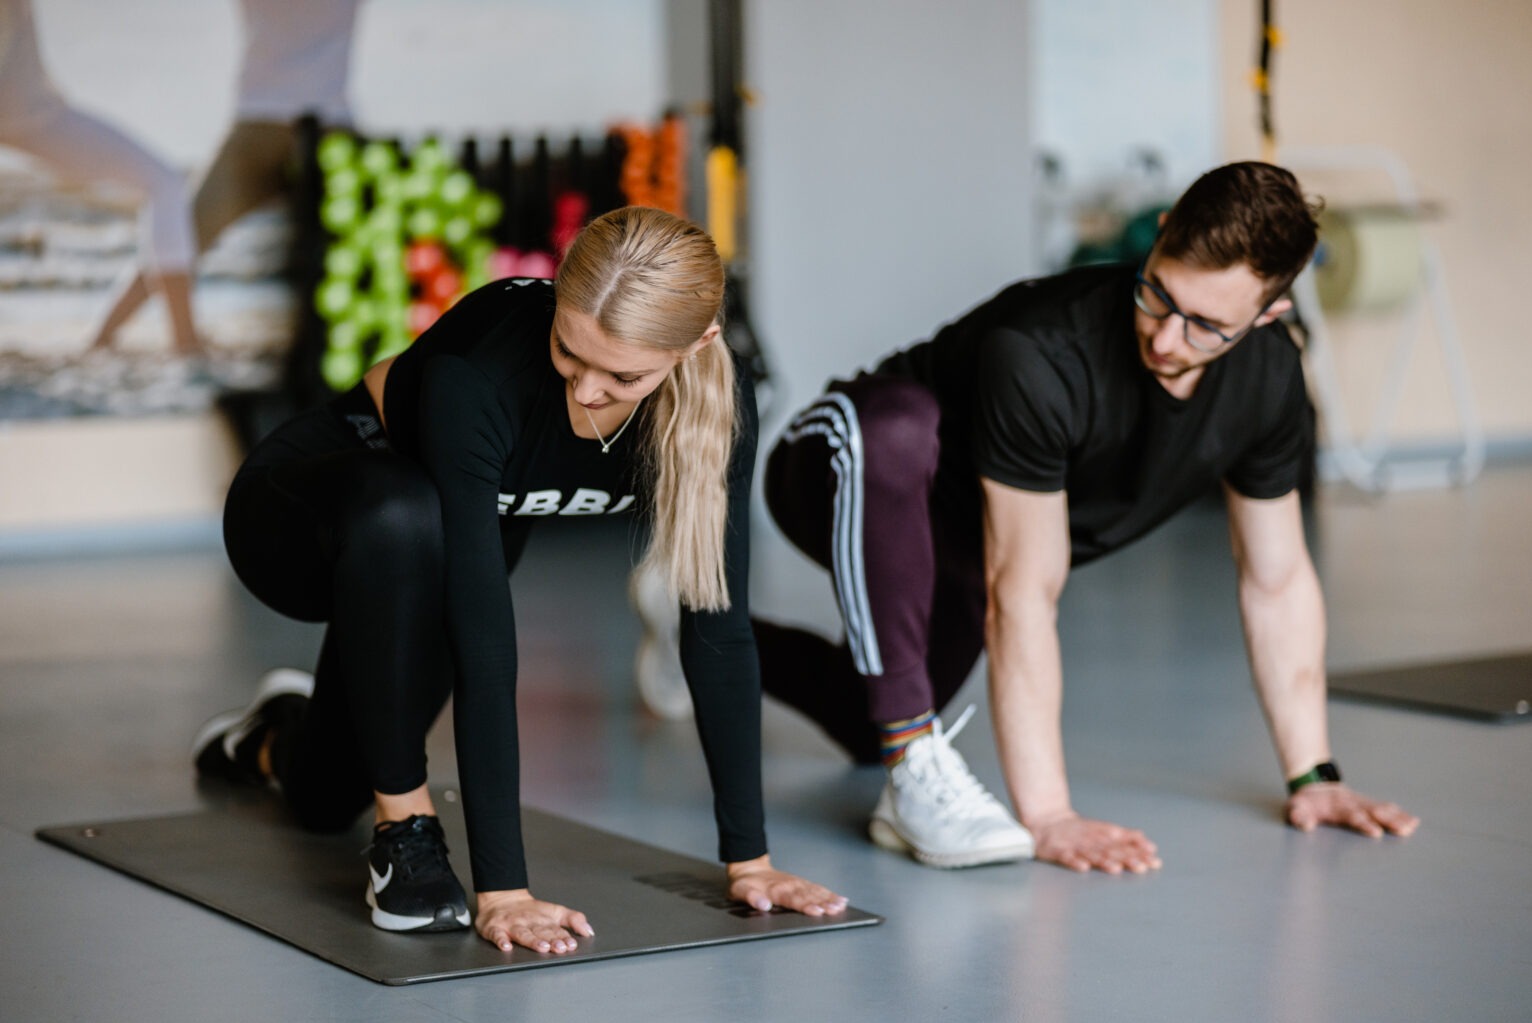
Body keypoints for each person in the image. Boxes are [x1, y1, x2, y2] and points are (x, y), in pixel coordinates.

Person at [197, 206, 847, 953]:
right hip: (304, 516)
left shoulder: (715, 403)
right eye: (570, 351)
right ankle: (405, 831)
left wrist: (750, 861)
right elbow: (485, 643)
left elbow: (719, 628)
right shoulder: (479, 372)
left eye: (623, 375)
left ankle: (270, 739)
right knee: (402, 513)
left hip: (432, 550)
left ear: (697, 343)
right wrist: (504, 890)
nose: (589, 390)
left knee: (326, 797)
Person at [755, 162, 1421, 874]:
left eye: (1206, 326)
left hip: (968, 543)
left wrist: (1314, 775)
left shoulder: (1268, 380)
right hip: (847, 473)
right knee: (894, 431)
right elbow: (1023, 589)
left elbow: (1277, 579)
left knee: (867, 724)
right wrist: (1049, 815)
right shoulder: (1043, 351)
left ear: (1267, 315)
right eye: (1159, 294)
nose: (1166, 339)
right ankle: (913, 758)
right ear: (1160, 235)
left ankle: (712, 638)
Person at [87, 0, 365, 354]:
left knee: (183, 232)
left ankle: (104, 336)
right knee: (365, 246)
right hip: (322, 126)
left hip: (265, 124)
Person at [0, 0, 199, 353]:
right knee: (164, 182)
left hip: (34, 112)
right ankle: (184, 341)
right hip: (30, 113)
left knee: (164, 182)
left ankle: (132, 339)